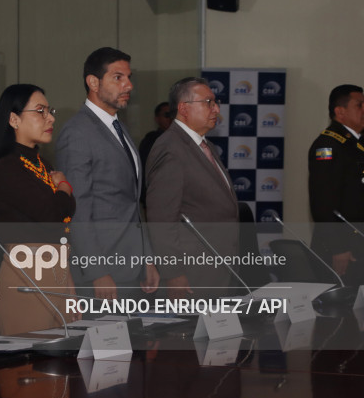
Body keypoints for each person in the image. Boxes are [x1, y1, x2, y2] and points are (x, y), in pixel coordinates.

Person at [56, 47, 159, 302]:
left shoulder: (118, 126)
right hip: (103, 272)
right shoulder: (78, 132)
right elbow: (77, 209)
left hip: (130, 264)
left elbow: (131, 204)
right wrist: (96, 270)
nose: (129, 85)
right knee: (104, 342)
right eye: (118, 77)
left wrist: (146, 257)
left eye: (129, 77)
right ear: (93, 82)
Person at [0, 84, 78, 334]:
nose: (51, 118)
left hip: (57, 272)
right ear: (14, 119)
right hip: (27, 276)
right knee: (29, 367)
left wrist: (69, 286)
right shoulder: (7, 167)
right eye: (40, 111)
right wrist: (65, 188)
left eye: (49, 110)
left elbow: (61, 225)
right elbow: (53, 214)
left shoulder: (41, 163)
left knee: (62, 369)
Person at [145, 77, 239, 300]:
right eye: (208, 102)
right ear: (184, 108)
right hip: (192, 271)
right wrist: (174, 272)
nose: (216, 108)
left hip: (215, 265)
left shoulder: (206, 146)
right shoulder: (171, 148)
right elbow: (161, 219)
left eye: (215, 102)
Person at [307, 84, 364, 284]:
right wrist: (338, 247)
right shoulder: (329, 145)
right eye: (360, 105)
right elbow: (323, 203)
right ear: (340, 111)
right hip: (346, 249)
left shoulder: (356, 144)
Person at [139, 102, 171, 170]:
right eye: (167, 115)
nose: (170, 118)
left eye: (173, 115)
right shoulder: (151, 140)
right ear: (157, 119)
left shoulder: (181, 137)